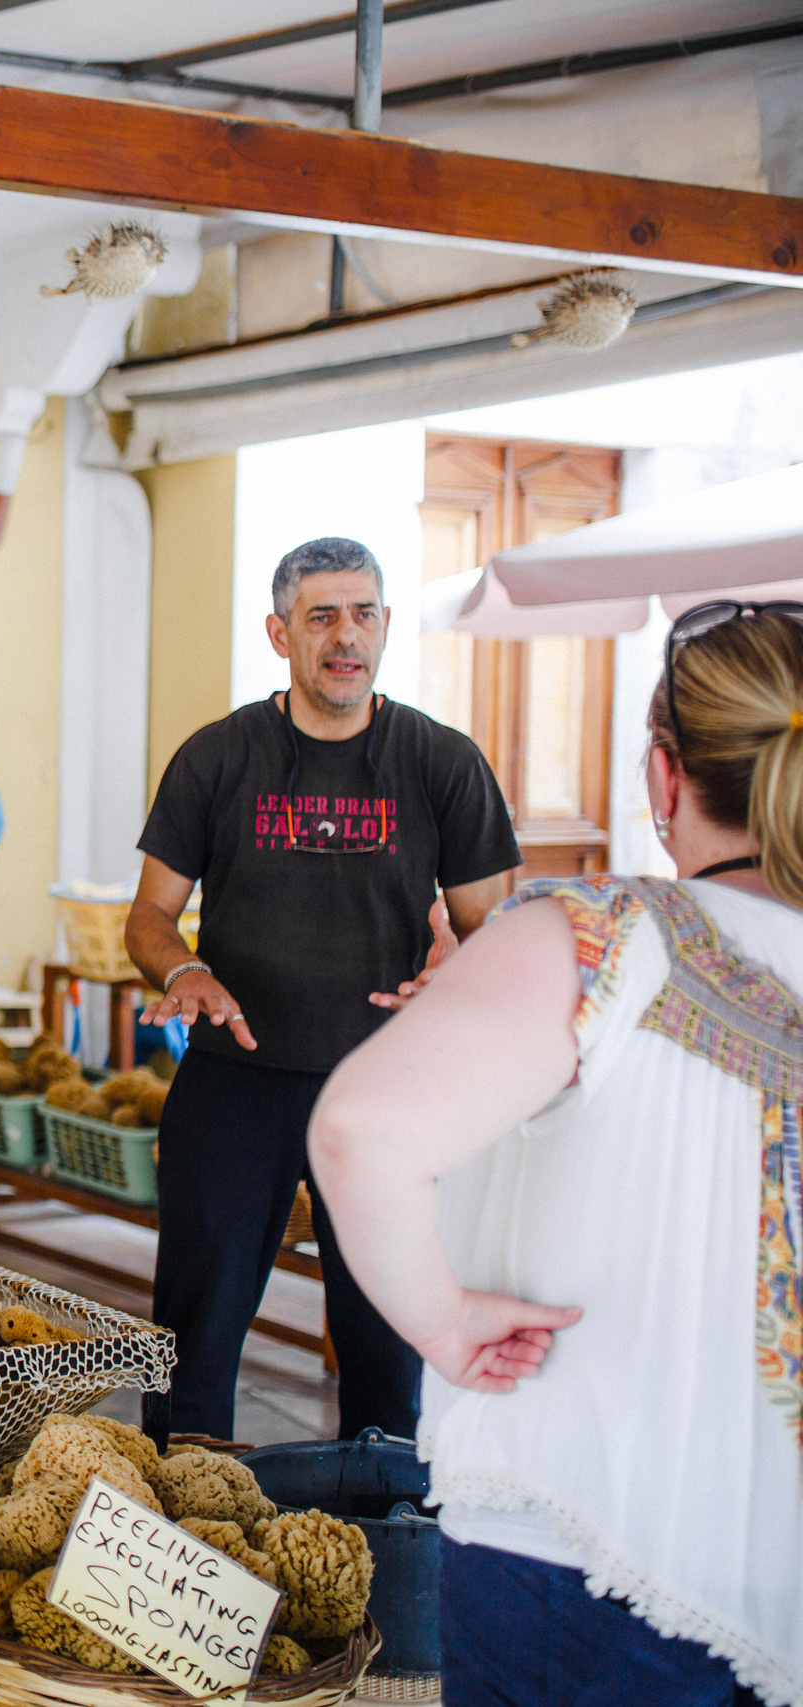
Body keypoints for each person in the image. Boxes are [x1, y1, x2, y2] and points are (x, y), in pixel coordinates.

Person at [310, 602, 803, 1706]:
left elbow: (362, 1129)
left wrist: (443, 1322)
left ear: (663, 780)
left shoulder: (608, 937)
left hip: (587, 1544)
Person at [131, 536, 520, 1445]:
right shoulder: (218, 756)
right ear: (280, 634)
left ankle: (378, 1548)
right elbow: (149, 914)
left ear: (383, 627)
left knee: (387, 1344)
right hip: (236, 1081)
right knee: (191, 1341)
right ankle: (178, 1536)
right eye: (323, 617)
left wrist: (456, 969)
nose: (348, 637)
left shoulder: (441, 762)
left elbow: (490, 930)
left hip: (387, 1089)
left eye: (365, 614)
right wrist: (184, 969)